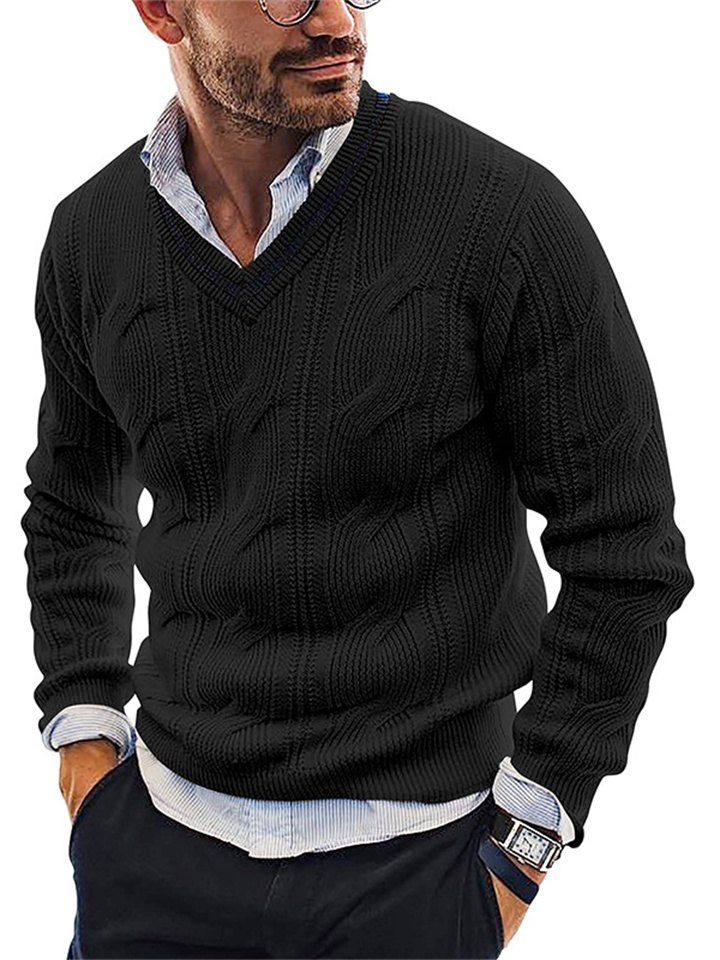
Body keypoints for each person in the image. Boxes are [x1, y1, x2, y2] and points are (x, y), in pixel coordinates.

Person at [21, 1, 694, 958]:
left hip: (422, 870)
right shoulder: (92, 236)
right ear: (163, 11)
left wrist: (526, 840)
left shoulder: (497, 214)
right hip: (154, 853)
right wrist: (85, 738)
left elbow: (626, 549)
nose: (336, 20)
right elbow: (74, 502)